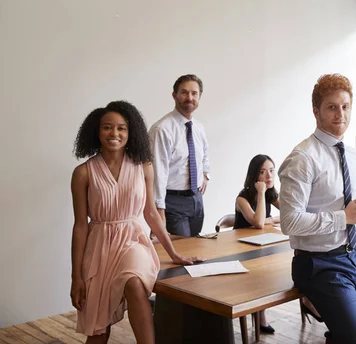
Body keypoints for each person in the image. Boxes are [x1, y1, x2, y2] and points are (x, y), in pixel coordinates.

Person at [70, 101, 201, 344]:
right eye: (107, 127)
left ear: (131, 133)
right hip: (99, 248)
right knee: (98, 331)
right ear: (96, 132)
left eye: (121, 128)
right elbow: (79, 226)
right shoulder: (83, 173)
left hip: (133, 240)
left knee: (133, 281)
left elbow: (151, 213)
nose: (114, 134)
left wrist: (173, 252)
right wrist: (75, 277)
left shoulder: (143, 167)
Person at [279, 73, 356, 344]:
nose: (340, 114)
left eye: (345, 106)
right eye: (332, 107)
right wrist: (343, 217)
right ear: (316, 111)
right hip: (320, 263)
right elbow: (289, 222)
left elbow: (349, 204)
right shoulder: (303, 157)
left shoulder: (351, 153)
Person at [149, 74, 210, 237]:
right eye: (184, 92)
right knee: (179, 254)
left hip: (196, 200)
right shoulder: (162, 129)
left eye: (194, 93)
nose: (189, 97)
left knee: (195, 248)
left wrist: (205, 174)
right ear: (174, 95)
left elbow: (205, 153)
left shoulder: (198, 127)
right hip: (172, 202)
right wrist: (159, 210)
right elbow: (157, 174)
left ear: (199, 96)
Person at [233, 154, 281, 333]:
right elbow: (259, 222)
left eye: (271, 171)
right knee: (259, 278)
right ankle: (260, 318)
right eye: (263, 172)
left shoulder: (270, 194)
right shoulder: (242, 198)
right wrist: (261, 193)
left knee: (267, 275)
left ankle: (261, 318)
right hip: (241, 249)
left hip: (261, 245)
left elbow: (289, 212)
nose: (269, 176)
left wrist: (270, 218)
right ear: (254, 176)